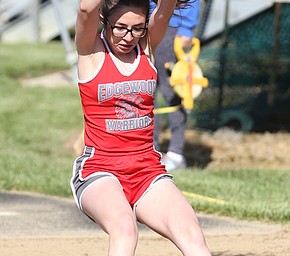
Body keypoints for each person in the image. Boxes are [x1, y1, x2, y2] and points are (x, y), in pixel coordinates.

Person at [70, 0, 211, 255]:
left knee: (191, 231)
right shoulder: (90, 51)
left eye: (137, 28)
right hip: (100, 169)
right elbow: (85, 9)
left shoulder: (146, 48)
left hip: (147, 169)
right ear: (105, 22)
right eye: (120, 28)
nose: (128, 36)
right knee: (125, 229)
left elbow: (166, 7)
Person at [151, 0, 201, 171]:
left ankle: (176, 153)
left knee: (173, 91)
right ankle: (151, 149)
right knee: (146, 92)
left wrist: (186, 27)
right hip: (144, 23)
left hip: (171, 28)